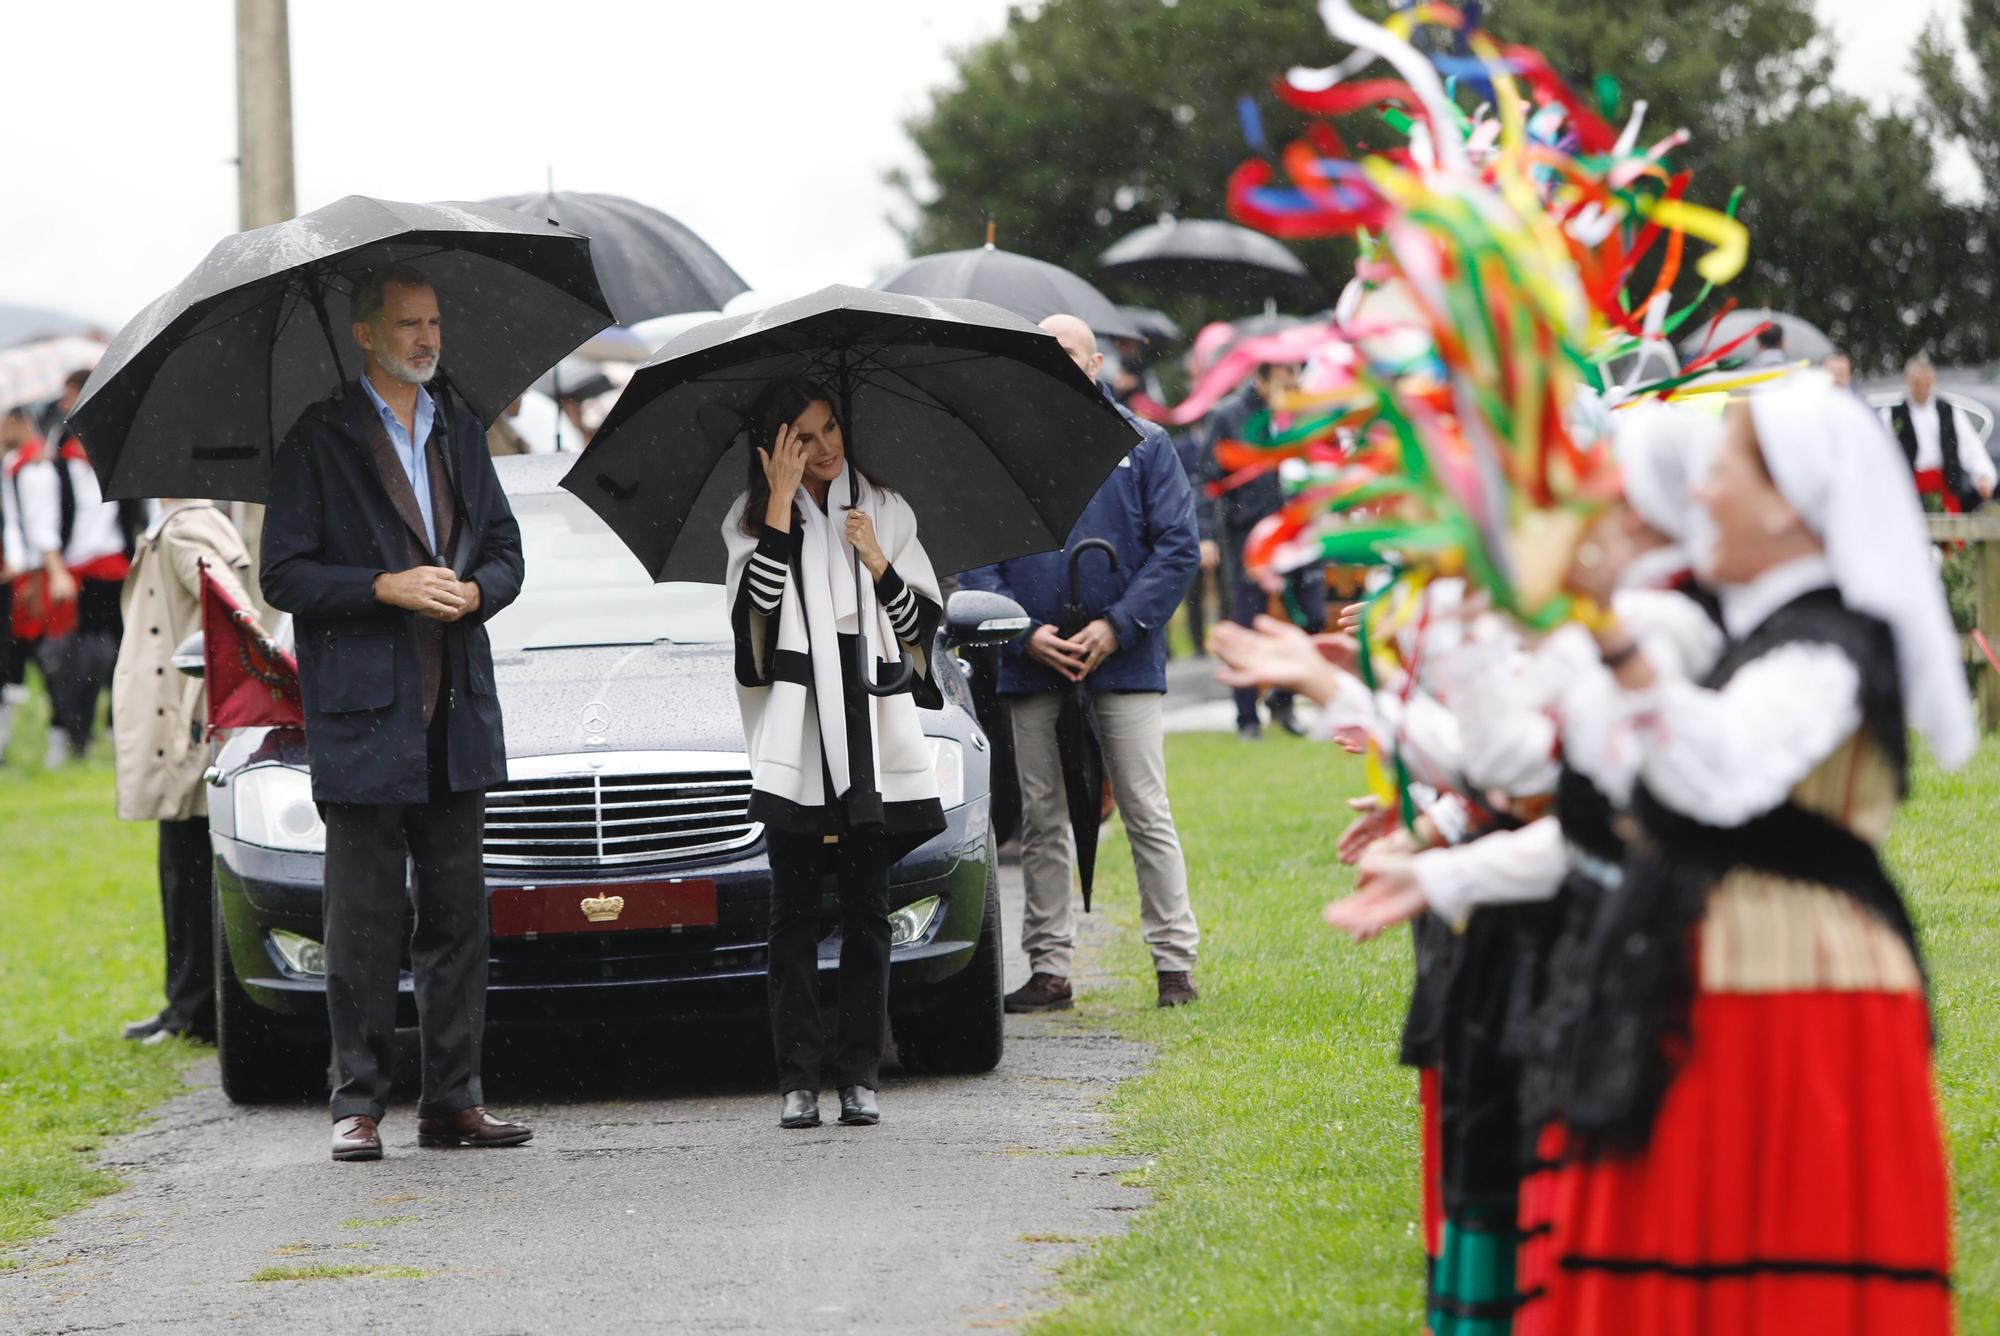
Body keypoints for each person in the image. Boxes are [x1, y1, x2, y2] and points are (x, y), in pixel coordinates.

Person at [1524, 381, 1968, 1334]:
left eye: (1722, 467)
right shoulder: (1757, 638)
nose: (1701, 491)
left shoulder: (1836, 644)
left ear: (1784, 500)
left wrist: (1605, 632)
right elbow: (1626, 775)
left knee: (1763, 1269)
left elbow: (1722, 771)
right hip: (1708, 976)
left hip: (1791, 985)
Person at [260, 264, 532, 1163]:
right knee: (363, 927)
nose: (427, 338)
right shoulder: (318, 438)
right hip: (365, 718)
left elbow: (504, 550)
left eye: (434, 323)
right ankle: (359, 1103)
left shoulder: (459, 425)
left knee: (459, 921)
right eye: (409, 324)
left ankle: (454, 1101)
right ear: (366, 335)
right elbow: (285, 576)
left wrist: (475, 594)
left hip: (454, 712)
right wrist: (384, 586)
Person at [722, 375, 947, 1130]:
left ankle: (859, 1075)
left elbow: (921, 638)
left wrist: (877, 560)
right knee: (791, 913)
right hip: (798, 725)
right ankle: (795, 1079)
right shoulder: (749, 521)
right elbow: (752, 630)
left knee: (867, 910)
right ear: (776, 447)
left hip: (868, 723)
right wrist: (782, 510)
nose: (824, 449)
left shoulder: (883, 508)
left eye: (830, 431)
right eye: (804, 437)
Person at [961, 314, 1203, 1012]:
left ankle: (1173, 962)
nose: (1059, 365)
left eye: (1069, 352)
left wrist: (1117, 626)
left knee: (1144, 807)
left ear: (1097, 362)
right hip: (1032, 662)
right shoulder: (1002, 449)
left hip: (1123, 660)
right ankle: (1050, 966)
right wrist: (1022, 633)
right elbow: (981, 556)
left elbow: (1176, 548)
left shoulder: (1145, 445)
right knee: (1041, 817)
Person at [112, 498, 256, 1045]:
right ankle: (188, 1003)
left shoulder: (183, 530)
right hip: (180, 719)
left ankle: (194, 1008)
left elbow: (230, 610)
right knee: (184, 859)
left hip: (182, 723)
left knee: (189, 864)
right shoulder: (181, 526)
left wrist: (198, 701)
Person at [15, 372, 137, 767]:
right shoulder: (54, 464)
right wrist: (57, 570)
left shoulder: (121, 460)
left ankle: (119, 732)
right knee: (65, 661)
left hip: (116, 571)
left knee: (124, 656)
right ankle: (66, 733)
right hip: (75, 574)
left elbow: (136, 517)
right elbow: (44, 526)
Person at [1201, 360, 1325, 738]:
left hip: (1299, 533)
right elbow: (1206, 477)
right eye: (1289, 373)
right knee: (1248, 622)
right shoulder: (1229, 416)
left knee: (1312, 617)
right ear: (1263, 378)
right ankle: (1247, 718)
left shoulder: (1302, 412)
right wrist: (1206, 532)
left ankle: (1282, 700)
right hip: (1248, 536)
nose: (1296, 379)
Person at [1884, 355, 1995, 512]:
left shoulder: (1948, 412)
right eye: (1917, 382)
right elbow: (1882, 455)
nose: (1922, 387)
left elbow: (1969, 447)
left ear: (1933, 380)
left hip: (1945, 488)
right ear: (1907, 381)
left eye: (1926, 382)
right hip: (1909, 491)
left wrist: (1983, 476)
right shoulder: (1892, 415)